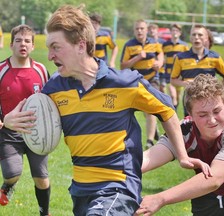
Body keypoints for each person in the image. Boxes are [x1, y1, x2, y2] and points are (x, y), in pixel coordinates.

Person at [3, 5, 210, 215]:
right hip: (81, 189)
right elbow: (34, 117)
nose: (49, 56)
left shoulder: (124, 83)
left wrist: (182, 156)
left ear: (80, 45)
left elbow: (167, 111)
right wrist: (10, 121)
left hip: (118, 186)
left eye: (56, 47)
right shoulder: (54, 88)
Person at [137, 74, 224, 216]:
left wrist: (160, 198)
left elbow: (214, 179)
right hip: (208, 195)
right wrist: (119, 170)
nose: (212, 120)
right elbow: (148, 159)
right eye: (202, 115)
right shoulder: (184, 130)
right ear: (190, 114)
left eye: (217, 111)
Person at [0, 24, 51, 216]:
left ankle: (44, 213)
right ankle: (7, 186)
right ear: (11, 44)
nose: (23, 44)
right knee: (12, 173)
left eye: (27, 41)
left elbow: (50, 100)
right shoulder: (1, 70)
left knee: (42, 178)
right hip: (8, 133)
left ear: (33, 46)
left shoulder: (41, 70)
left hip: (36, 133)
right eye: (19, 40)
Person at [170, 24, 224, 117]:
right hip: (190, 98)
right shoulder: (180, 58)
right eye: (194, 35)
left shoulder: (215, 57)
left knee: (210, 125)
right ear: (190, 38)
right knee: (191, 127)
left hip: (211, 98)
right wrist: (185, 83)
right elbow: (173, 80)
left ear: (206, 38)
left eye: (200, 35)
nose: (196, 38)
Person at [121, 19, 164, 149]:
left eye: (142, 28)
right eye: (137, 29)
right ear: (134, 31)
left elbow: (160, 54)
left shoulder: (155, 43)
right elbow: (123, 66)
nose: (139, 31)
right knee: (143, 111)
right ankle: (154, 129)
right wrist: (137, 57)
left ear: (146, 30)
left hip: (152, 80)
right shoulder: (129, 45)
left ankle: (149, 140)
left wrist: (159, 63)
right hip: (136, 81)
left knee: (150, 109)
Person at [162, 24, 189, 109]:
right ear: (170, 32)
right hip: (168, 73)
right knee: (172, 96)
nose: (174, 32)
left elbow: (188, 59)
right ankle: (173, 113)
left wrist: (179, 58)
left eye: (176, 31)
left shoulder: (184, 46)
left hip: (179, 75)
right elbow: (161, 57)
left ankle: (175, 112)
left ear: (180, 33)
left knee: (177, 96)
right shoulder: (165, 45)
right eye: (173, 30)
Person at [147, 23, 166, 93]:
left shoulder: (163, 42)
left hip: (162, 69)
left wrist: (162, 62)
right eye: (150, 29)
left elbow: (166, 54)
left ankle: (165, 102)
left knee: (162, 88)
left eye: (154, 29)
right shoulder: (146, 42)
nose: (152, 31)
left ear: (157, 30)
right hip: (151, 70)